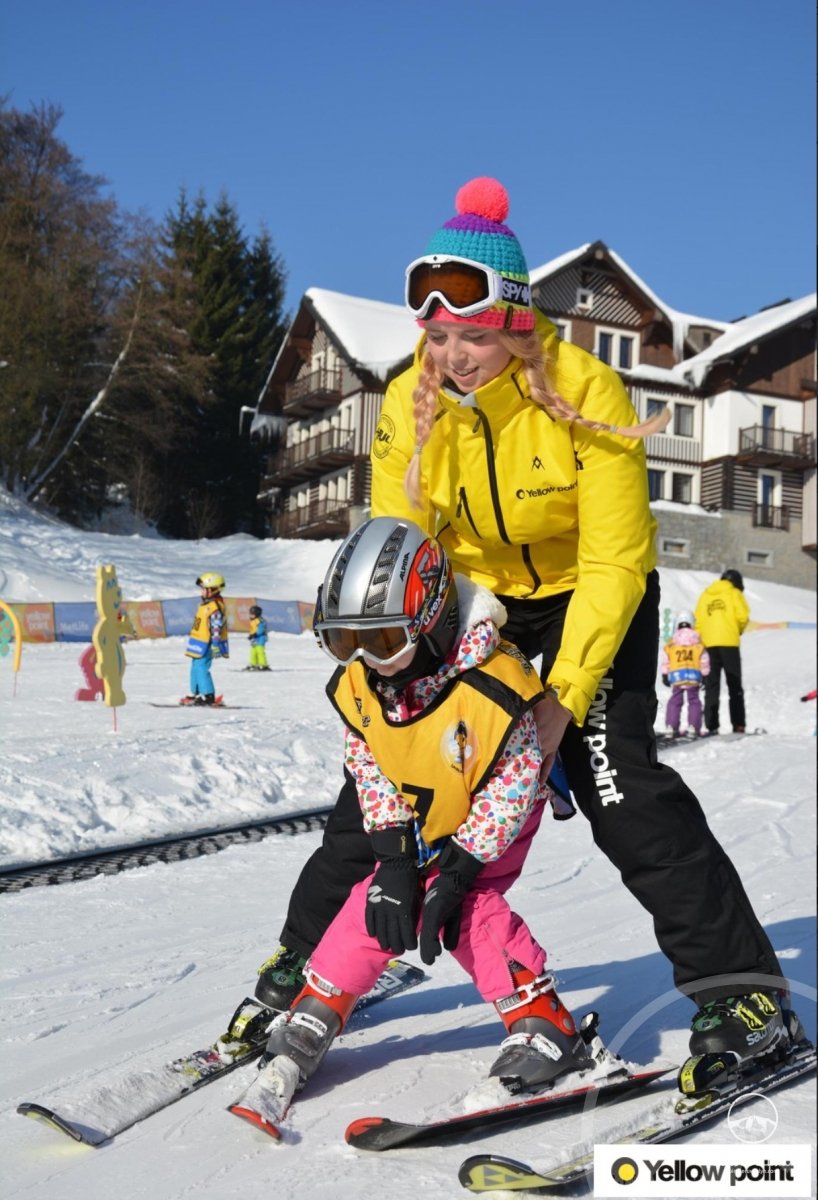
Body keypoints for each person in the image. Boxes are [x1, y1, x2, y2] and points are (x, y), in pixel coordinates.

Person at [256, 178, 793, 1094]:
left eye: (472, 336)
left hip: (592, 594)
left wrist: (562, 700)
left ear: (514, 322)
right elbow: (401, 546)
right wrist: (406, 676)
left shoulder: (585, 388)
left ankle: (745, 995)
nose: (454, 357)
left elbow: (617, 561)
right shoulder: (409, 400)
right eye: (438, 338)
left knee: (619, 787)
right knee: (393, 766)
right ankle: (302, 962)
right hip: (475, 599)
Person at [260, 515, 592, 1096]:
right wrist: (392, 857)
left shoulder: (493, 687)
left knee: (461, 909)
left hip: (494, 818)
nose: (369, 659)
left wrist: (461, 867)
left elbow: (515, 784)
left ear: (433, 619)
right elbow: (370, 764)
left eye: (385, 641)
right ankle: (321, 1003)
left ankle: (543, 1020)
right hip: (424, 807)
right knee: (381, 899)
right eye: (346, 642)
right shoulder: (365, 684)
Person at [694, 570, 750, 735]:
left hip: (708, 644)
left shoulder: (706, 595)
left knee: (711, 685)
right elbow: (743, 616)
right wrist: (736, 630)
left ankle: (711, 725)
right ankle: (738, 724)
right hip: (729, 643)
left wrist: (703, 639)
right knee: (734, 684)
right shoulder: (734, 593)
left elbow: (698, 621)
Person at [660, 611, 710, 738]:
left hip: (677, 676)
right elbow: (704, 659)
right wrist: (705, 675)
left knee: (675, 701)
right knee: (694, 701)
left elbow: (666, 659)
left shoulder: (673, 643)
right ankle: (693, 726)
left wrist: (665, 674)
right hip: (693, 675)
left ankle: (671, 726)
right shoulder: (697, 642)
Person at [182, 572, 229, 705]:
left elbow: (216, 627)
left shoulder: (214, 608)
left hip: (207, 643)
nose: (201, 592)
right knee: (195, 667)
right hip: (198, 643)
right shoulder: (205, 605)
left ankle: (208, 695)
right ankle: (196, 693)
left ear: (214, 590)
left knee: (202, 668)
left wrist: (215, 644)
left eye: (204, 589)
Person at [247, 604, 270, 671]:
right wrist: (250, 635)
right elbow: (252, 629)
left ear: (257, 614)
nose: (251, 615)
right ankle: (253, 664)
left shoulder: (260, 620)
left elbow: (261, 629)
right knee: (253, 651)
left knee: (260, 651)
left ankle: (263, 665)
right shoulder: (252, 620)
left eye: (252, 614)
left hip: (261, 638)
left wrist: (255, 634)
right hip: (254, 639)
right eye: (250, 614)